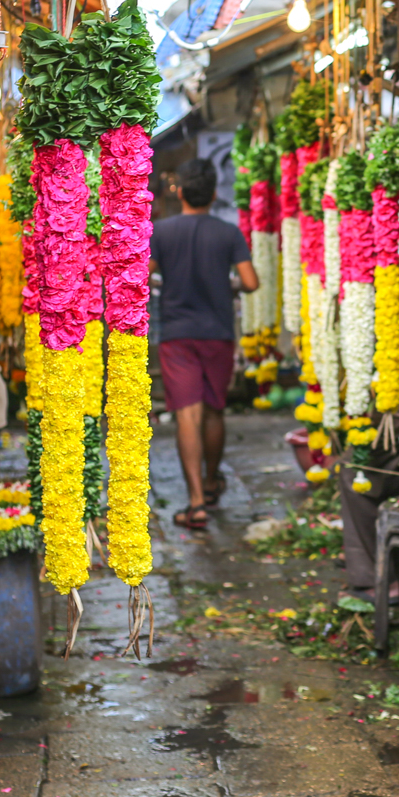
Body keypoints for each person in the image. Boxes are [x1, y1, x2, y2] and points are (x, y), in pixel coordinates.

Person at [149, 157, 257, 530]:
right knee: (214, 410)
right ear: (213, 194)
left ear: (179, 192)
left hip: (177, 334)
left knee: (187, 416)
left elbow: (144, 274)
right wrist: (226, 283)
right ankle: (211, 484)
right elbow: (251, 281)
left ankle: (195, 503)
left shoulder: (160, 233)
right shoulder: (228, 233)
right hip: (219, 333)